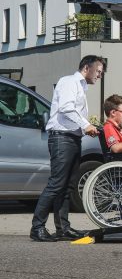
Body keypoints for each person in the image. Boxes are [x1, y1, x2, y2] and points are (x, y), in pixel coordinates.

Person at [30, 55, 106, 242]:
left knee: (67, 185)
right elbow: (65, 108)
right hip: (61, 139)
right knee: (56, 184)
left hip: (72, 138)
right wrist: (86, 125)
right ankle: (37, 227)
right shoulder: (69, 82)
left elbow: (74, 113)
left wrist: (88, 127)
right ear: (86, 68)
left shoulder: (81, 86)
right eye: (98, 71)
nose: (100, 75)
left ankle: (63, 228)